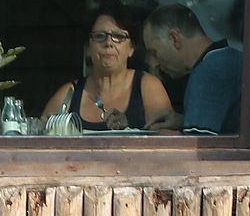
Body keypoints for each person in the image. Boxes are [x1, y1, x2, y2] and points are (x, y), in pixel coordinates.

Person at [40, 7, 174, 132]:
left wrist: (128, 132)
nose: (108, 43)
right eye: (99, 36)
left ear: (131, 48)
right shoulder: (69, 94)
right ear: (87, 48)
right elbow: (39, 141)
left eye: (119, 37)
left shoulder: (148, 86)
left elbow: (167, 144)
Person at [141, 3, 243, 134]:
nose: (154, 63)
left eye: (154, 53)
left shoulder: (208, 73)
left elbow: (198, 150)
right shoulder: (232, 60)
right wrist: (185, 121)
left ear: (174, 39)